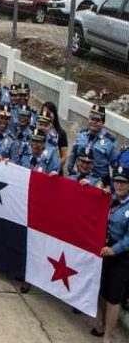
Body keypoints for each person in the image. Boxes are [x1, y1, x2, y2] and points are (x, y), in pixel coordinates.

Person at [92, 168, 129, 341]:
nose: (119, 185)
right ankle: (100, 323)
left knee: (113, 297)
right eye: (117, 181)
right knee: (102, 289)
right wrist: (90, 185)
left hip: (121, 256)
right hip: (104, 248)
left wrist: (115, 249)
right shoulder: (111, 199)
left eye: (123, 182)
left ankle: (108, 336)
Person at [67, 104, 118, 183]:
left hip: (99, 182)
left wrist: (110, 184)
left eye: (97, 120)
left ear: (103, 122)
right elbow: (73, 154)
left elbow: (116, 165)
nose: (94, 122)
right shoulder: (81, 135)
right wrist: (71, 171)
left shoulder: (109, 142)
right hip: (80, 179)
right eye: (92, 119)